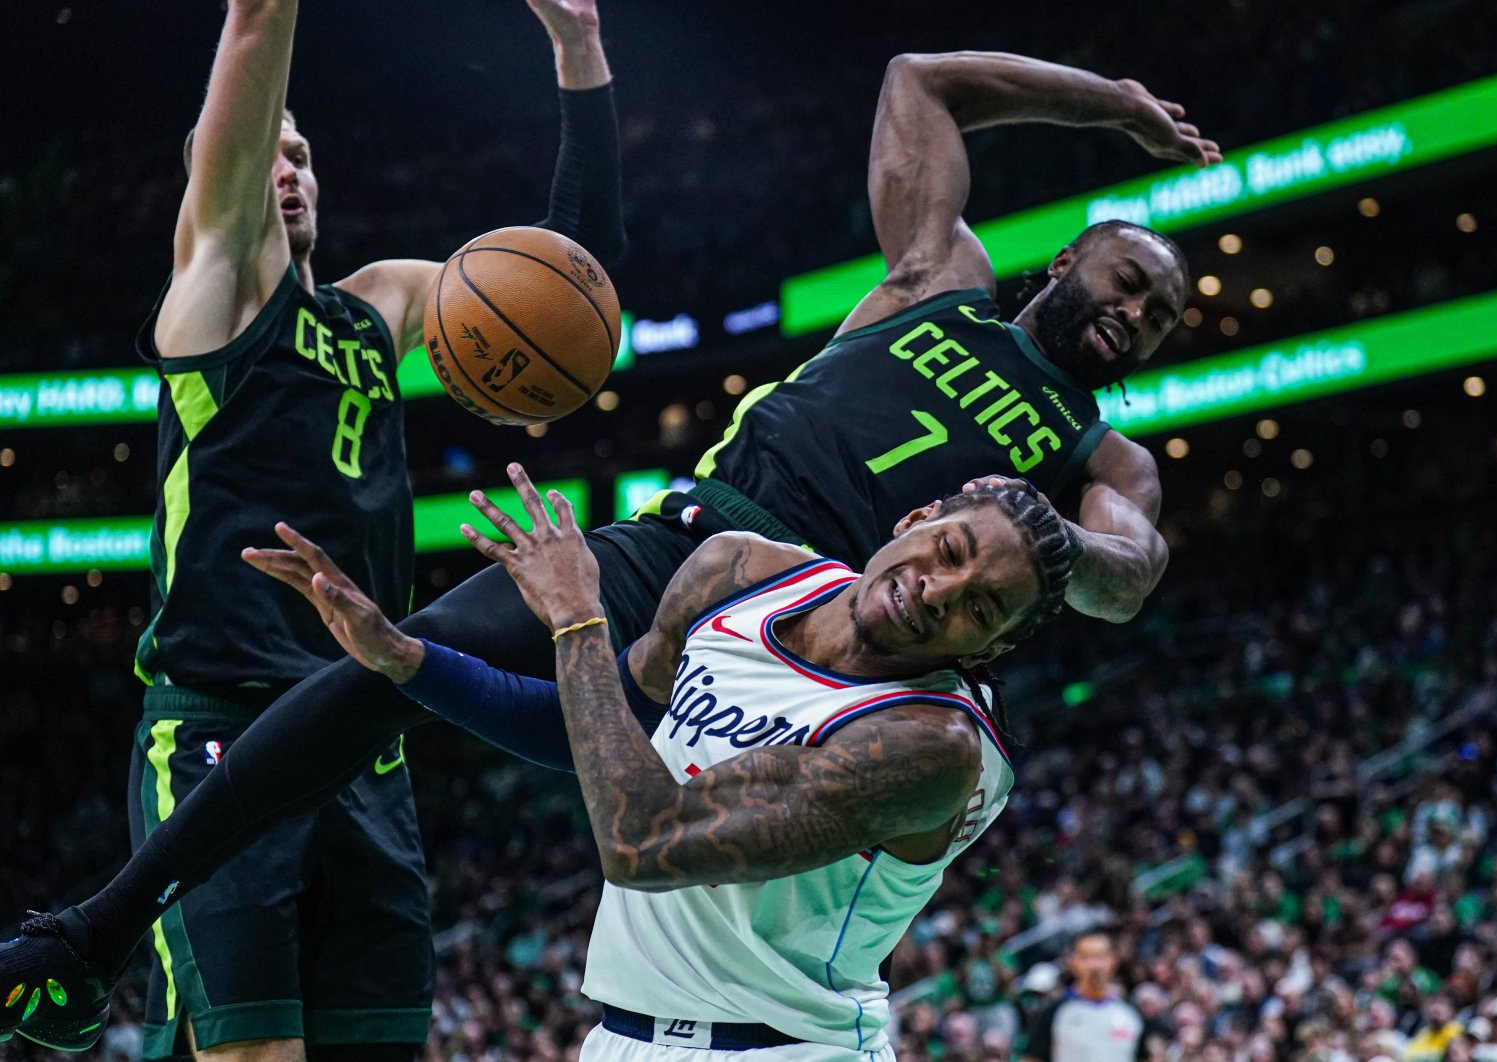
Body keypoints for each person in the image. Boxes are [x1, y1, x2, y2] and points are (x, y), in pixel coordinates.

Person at [0, 48, 1216, 1053]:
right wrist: (1113, 106)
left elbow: (1125, 575)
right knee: (388, 668)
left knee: (687, 860)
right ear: (1065, 261)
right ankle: (91, 936)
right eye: (1125, 282)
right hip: (681, 547)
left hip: (805, 638)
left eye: (1156, 318)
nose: (1134, 314)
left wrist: (1041, 534)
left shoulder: (1103, 460)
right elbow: (919, 83)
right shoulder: (935, 279)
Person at [5, 0, 623, 1056]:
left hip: (362, 742)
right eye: (257, 154)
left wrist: (579, 54)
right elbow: (255, 24)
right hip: (218, 733)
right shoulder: (209, 297)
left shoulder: (377, 304)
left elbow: (572, 290)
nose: (280, 169)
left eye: (301, 153)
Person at [263, 471, 1078, 1056]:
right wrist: (410, 659)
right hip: (620, 1037)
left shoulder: (928, 747)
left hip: (787, 1049)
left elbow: (641, 845)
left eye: (978, 606)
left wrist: (578, 618)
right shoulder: (740, 571)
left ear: (993, 648)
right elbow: (588, 733)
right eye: (950, 548)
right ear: (917, 517)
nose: (938, 589)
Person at [1047, 931, 1143, 1062]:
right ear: (1073, 962)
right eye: (1086, 957)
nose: (1094, 965)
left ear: (1113, 961)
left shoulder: (1130, 1013)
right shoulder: (1055, 1011)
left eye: (1100, 957)